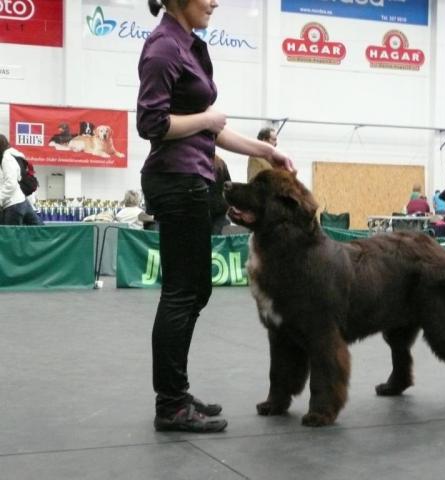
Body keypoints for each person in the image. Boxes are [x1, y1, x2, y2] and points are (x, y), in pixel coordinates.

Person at [137, 0, 294, 434]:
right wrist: (205, 116)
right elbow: (151, 122)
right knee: (182, 293)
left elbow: (212, 128)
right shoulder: (164, 47)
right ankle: (170, 404)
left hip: (193, 178)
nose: (214, 1)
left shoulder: (187, 45)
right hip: (177, 180)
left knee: (195, 290)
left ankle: (177, 393)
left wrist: (268, 151)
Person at [0, 134, 42, 226]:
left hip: (13, 204)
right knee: (39, 230)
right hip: (21, 201)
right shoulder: (12, 156)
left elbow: (11, 183)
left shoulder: (6, 158)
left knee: (11, 237)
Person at [209, 154, 230, 235]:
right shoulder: (220, 162)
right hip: (221, 210)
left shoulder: (220, 163)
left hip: (213, 211)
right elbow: (228, 185)